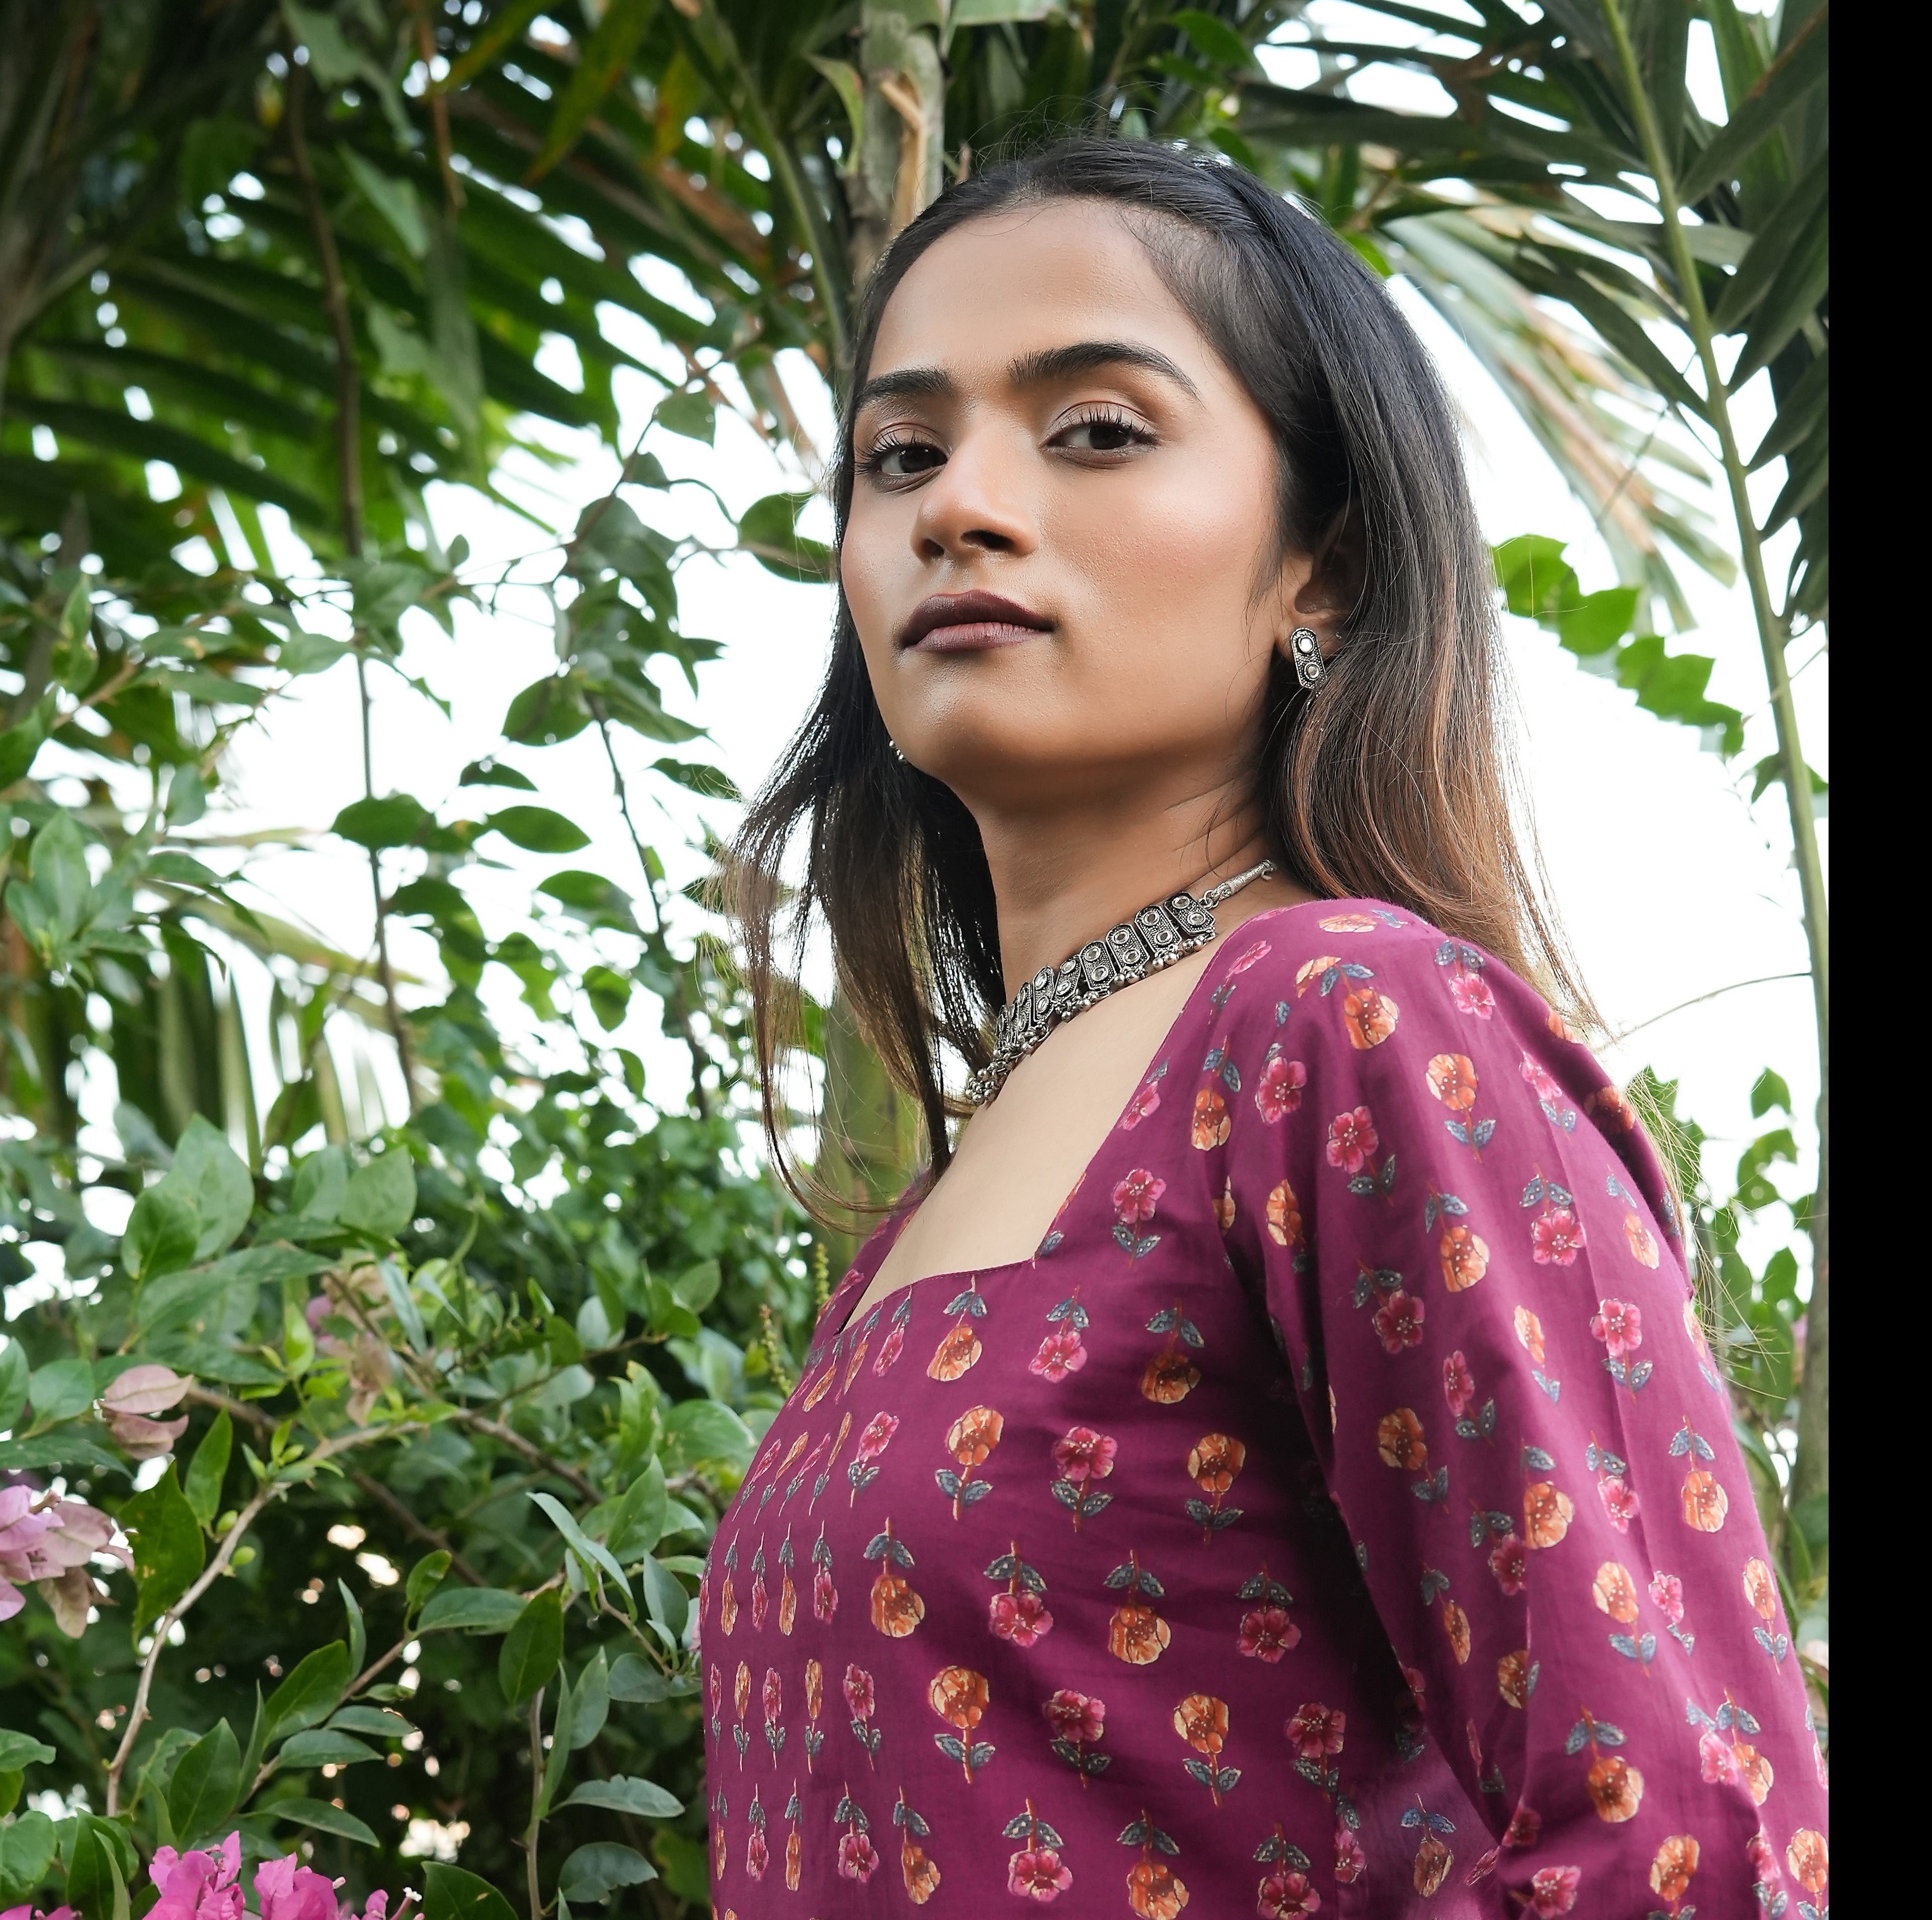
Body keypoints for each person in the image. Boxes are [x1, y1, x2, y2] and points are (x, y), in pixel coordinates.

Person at [702, 140, 1827, 1916]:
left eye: (1095, 431)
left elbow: (1682, 1839)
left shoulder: (1345, 1023)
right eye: (899, 454)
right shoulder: (956, 1185)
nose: (957, 505)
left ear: (1328, 562)